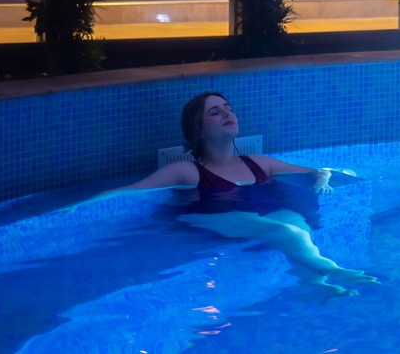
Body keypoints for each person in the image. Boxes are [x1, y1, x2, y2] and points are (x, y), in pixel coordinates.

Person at [68, 91, 377, 293]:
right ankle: (335, 271)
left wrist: (320, 180)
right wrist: (75, 207)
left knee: (296, 222)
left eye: (228, 108)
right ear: (199, 130)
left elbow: (314, 171)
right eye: (215, 112)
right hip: (215, 218)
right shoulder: (188, 171)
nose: (228, 114)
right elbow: (127, 191)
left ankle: (314, 281)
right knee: (288, 230)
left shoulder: (257, 162)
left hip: (254, 215)